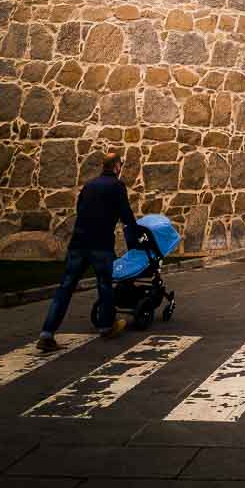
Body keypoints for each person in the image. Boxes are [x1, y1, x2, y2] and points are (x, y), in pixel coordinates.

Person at [36, 148, 139, 351]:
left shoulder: (89, 186)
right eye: (120, 165)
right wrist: (134, 231)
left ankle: (47, 333)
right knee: (104, 284)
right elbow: (126, 214)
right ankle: (106, 326)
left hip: (79, 242)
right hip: (100, 244)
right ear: (117, 166)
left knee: (65, 287)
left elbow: (80, 209)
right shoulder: (117, 186)